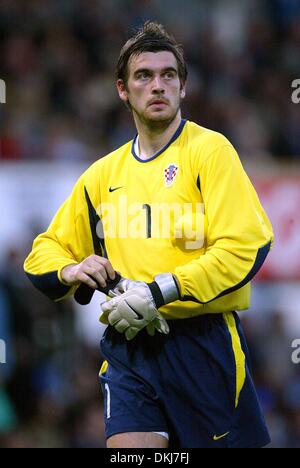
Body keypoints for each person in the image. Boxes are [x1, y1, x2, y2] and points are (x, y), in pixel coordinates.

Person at [24, 21, 274, 448]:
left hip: (203, 345)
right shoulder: (102, 176)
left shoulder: (211, 152)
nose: (157, 86)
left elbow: (247, 245)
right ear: (122, 89)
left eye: (168, 75)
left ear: (183, 86)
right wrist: (71, 269)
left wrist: (161, 290)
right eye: (144, 76)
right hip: (130, 347)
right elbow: (43, 253)